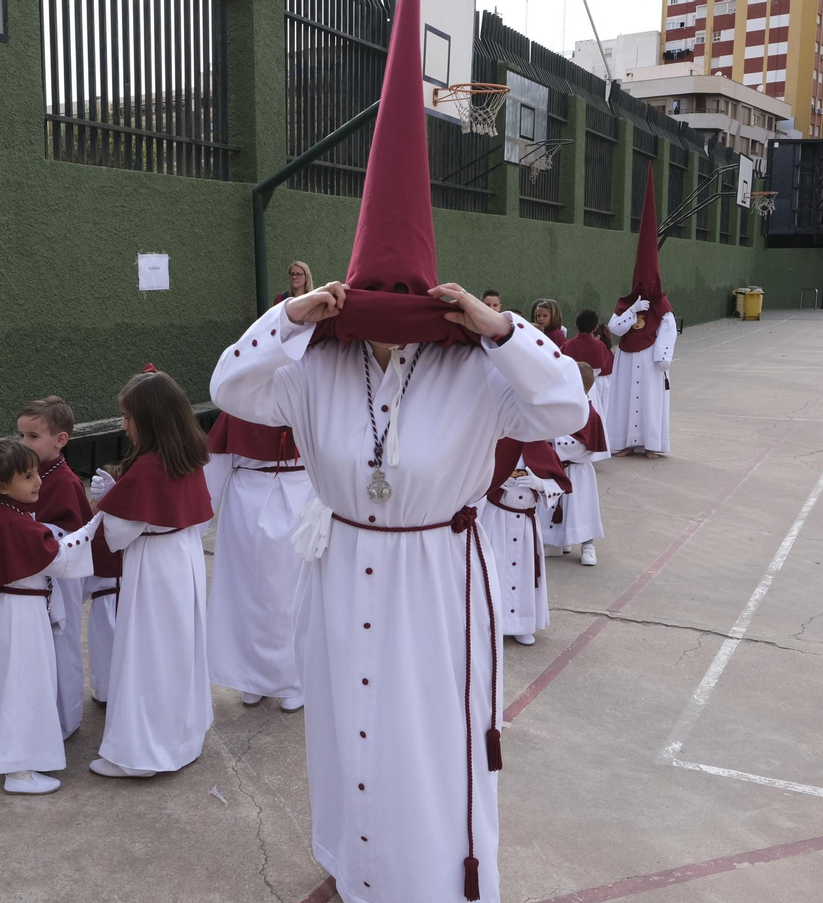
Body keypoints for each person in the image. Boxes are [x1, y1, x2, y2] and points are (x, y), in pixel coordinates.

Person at [209, 1, 588, 897]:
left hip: (437, 583)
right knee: (346, 727)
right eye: (367, 301)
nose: (383, 321)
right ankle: (355, 871)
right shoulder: (314, 367)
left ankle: (432, 881)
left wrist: (497, 328)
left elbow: (566, 407)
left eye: (400, 303)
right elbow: (229, 388)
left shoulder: (478, 372)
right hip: (340, 571)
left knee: (426, 739)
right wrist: (291, 313)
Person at [87, 367, 214, 779]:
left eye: (127, 417)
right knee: (178, 652)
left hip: (154, 566)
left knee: (149, 654)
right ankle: (181, 739)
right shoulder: (189, 457)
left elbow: (119, 534)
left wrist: (106, 500)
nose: (123, 426)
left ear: (151, 420)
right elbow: (201, 521)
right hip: (184, 558)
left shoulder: (145, 470)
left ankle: (141, 754)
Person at [0, 438, 105, 795]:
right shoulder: (17, 523)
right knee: (25, 686)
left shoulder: (8, 514)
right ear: (0, 486)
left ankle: (15, 760)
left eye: (35, 473)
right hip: (22, 615)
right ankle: (19, 771)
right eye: (27, 476)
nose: (38, 481)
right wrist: (95, 521)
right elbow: (59, 558)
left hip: (17, 611)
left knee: (16, 683)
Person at [205, 399, 313, 713]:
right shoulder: (308, 397)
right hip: (291, 495)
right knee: (271, 596)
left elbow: (214, 468)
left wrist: (198, 520)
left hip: (262, 499)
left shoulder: (239, 405)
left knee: (276, 595)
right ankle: (257, 679)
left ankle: (288, 679)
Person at [17, 395, 95, 736]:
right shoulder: (32, 474)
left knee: (62, 643)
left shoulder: (63, 481)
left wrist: (35, 533)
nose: (24, 443)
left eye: (33, 437)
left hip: (61, 577)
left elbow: (74, 531)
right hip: (39, 575)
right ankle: (44, 711)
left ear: (60, 440)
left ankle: (66, 717)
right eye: (21, 435)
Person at [606, 169, 676, 459]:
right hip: (627, 357)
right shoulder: (627, 302)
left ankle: (651, 443)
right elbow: (615, 328)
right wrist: (632, 310)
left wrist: (662, 356)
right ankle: (623, 441)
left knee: (649, 400)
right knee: (623, 400)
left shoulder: (662, 304)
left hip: (649, 360)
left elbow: (668, 328)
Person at [475, 438, 570, 647]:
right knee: (495, 569)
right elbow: (477, 476)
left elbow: (559, 485)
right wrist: (497, 482)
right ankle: (495, 624)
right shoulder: (496, 444)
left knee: (524, 572)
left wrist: (539, 484)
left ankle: (522, 624)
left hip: (526, 522)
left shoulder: (541, 447)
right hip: (497, 518)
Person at [544, 363, 609, 566]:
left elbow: (584, 448)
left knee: (582, 508)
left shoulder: (590, 414)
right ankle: (555, 543)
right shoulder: (560, 409)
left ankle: (588, 545)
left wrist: (553, 441)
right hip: (555, 468)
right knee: (551, 506)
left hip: (578, 470)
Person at [560, 310, 615, 427]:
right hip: (593, 386)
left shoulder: (567, 345)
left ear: (576, 326)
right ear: (595, 328)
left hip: (572, 386)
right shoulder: (600, 346)